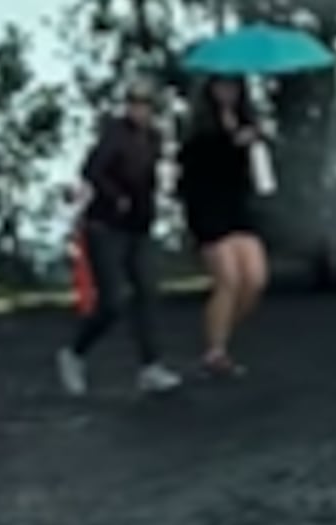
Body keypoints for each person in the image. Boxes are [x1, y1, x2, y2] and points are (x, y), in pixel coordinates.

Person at [58, 76, 179, 398]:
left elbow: (151, 178)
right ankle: (75, 353)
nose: (140, 111)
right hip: (106, 226)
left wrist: (155, 205)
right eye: (134, 104)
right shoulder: (114, 135)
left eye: (146, 105)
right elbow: (91, 171)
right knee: (112, 301)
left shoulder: (154, 138)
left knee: (148, 293)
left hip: (138, 227)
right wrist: (116, 197)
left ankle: (150, 366)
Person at [179, 75, 271, 377]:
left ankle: (219, 335)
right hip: (209, 209)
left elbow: (255, 174)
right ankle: (215, 352)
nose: (227, 91)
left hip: (239, 209)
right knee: (228, 279)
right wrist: (231, 142)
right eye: (221, 85)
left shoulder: (248, 122)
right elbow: (193, 168)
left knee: (255, 279)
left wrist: (254, 142)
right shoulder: (200, 130)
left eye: (233, 85)